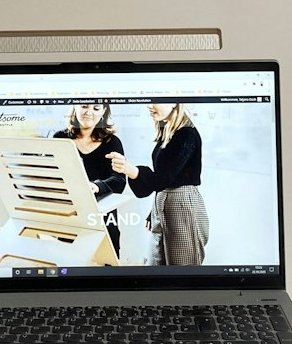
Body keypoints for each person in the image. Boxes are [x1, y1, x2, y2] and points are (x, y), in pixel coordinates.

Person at [108, 103, 208, 266]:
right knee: (154, 266)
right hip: (164, 203)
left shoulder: (186, 134)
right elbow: (166, 178)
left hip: (181, 204)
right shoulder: (168, 131)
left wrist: (130, 170)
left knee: (181, 271)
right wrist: (154, 211)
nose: (149, 105)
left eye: (156, 100)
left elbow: (163, 179)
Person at [53, 102, 125, 255]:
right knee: (69, 265)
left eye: (96, 108)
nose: (89, 112)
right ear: (75, 107)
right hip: (70, 217)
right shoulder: (59, 138)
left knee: (107, 268)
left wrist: (96, 186)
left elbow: (119, 180)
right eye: (84, 106)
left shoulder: (112, 142)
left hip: (104, 220)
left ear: (103, 112)